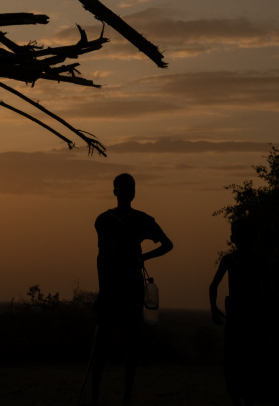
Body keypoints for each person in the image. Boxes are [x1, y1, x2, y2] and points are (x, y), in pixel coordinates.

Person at [88, 173, 173, 404]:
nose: (125, 192)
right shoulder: (103, 220)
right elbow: (101, 256)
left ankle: (127, 394)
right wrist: (101, 288)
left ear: (133, 193)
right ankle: (95, 393)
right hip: (110, 284)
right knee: (102, 340)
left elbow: (168, 244)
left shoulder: (142, 220)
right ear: (114, 191)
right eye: (121, 188)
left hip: (131, 284)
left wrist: (142, 257)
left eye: (129, 188)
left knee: (131, 341)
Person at [209, 218, 267, 405]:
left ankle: (242, 396)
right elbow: (213, 286)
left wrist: (214, 308)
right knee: (244, 360)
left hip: (246, 317)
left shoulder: (239, 261)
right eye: (240, 235)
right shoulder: (256, 262)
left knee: (242, 360)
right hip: (246, 317)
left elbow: (213, 286)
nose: (243, 239)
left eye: (245, 235)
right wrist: (213, 308)